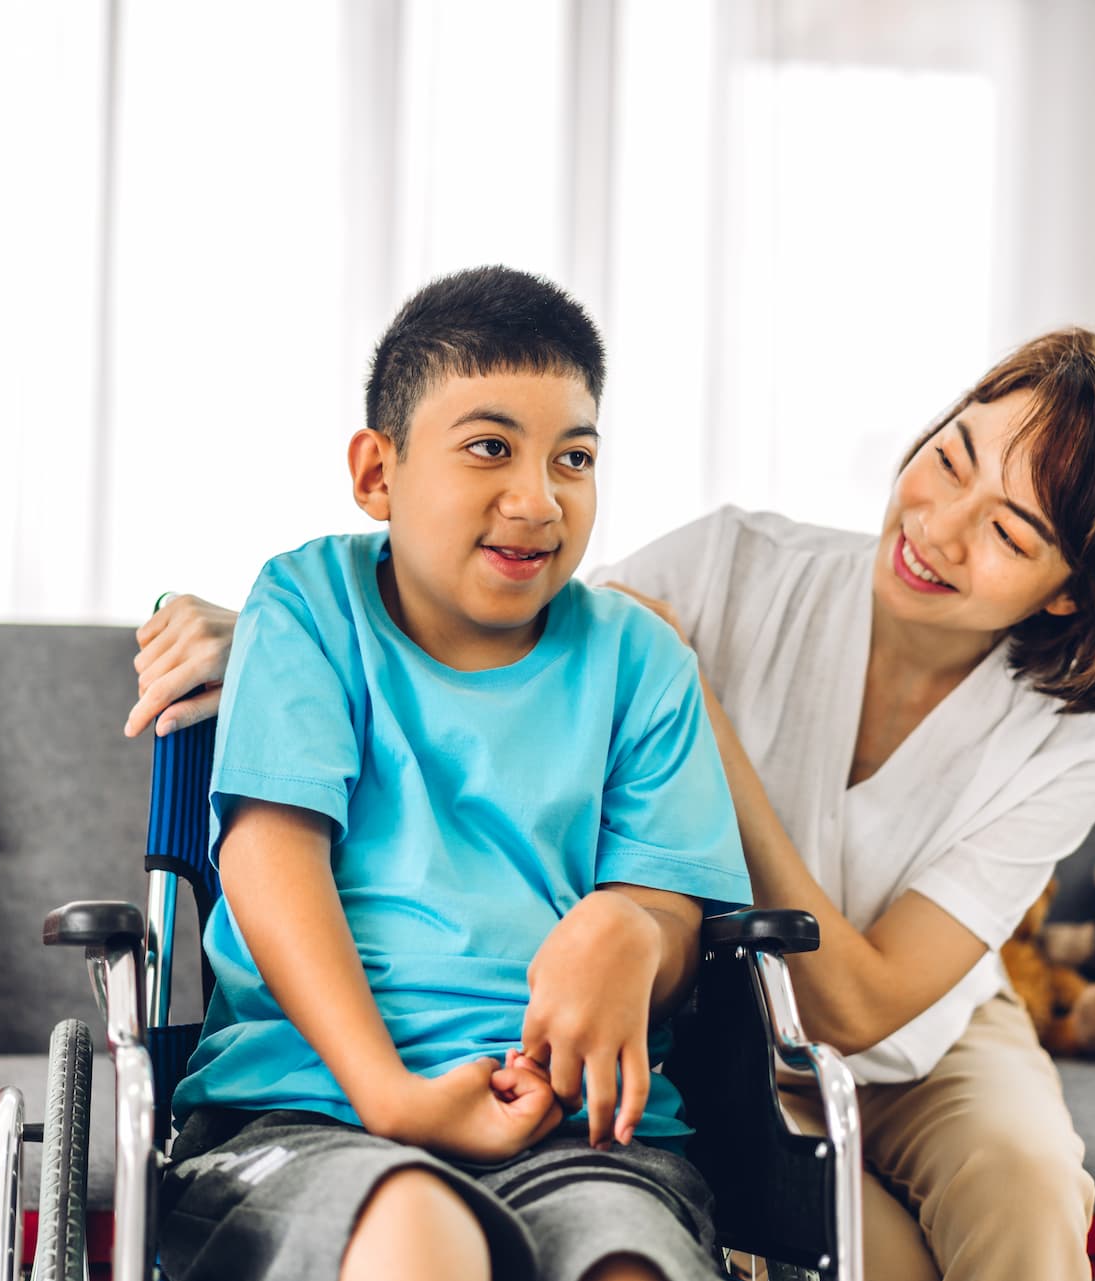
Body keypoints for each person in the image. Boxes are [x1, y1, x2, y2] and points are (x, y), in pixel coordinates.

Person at [132, 327, 1095, 1281]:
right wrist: (271, 639)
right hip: (726, 1022)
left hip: (912, 1031)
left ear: (1070, 588)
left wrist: (708, 727)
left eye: (1013, 533)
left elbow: (860, 1004)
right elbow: (498, 605)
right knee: (868, 1257)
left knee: (1026, 1189)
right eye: (948, 459)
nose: (939, 526)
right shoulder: (737, 562)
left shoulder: (1077, 743)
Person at [152, 265, 751, 1281]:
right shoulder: (306, 605)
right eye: (489, 448)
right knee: (415, 1239)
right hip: (310, 1105)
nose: (538, 498)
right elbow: (267, 855)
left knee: (627, 1268)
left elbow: (679, 922)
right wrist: (389, 1092)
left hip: (578, 1126)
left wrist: (636, 930)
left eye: (575, 458)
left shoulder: (639, 661)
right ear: (377, 473)